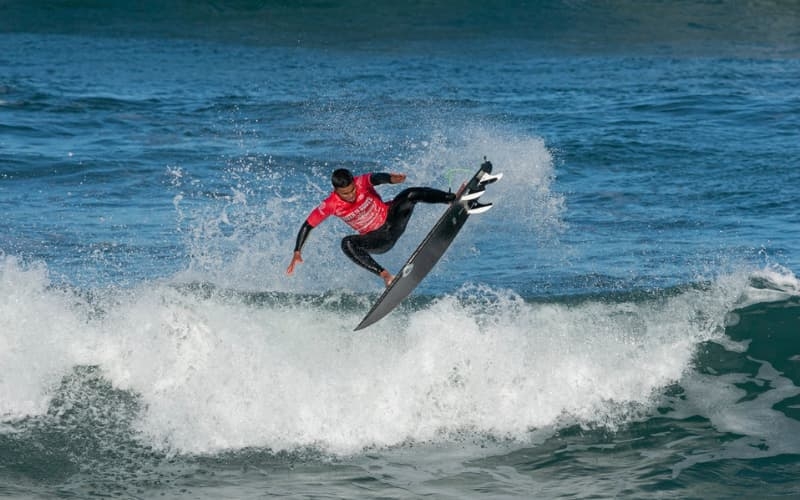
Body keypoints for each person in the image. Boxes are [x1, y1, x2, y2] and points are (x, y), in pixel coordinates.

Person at [286, 168, 456, 286]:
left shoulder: (361, 182)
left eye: (352, 190)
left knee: (410, 194)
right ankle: (386, 276)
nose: (351, 195)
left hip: (393, 220)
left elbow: (376, 178)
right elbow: (308, 225)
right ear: (335, 190)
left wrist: (390, 179)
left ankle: (452, 199)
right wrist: (297, 251)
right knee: (347, 243)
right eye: (345, 193)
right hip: (378, 240)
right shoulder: (330, 204)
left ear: (354, 182)